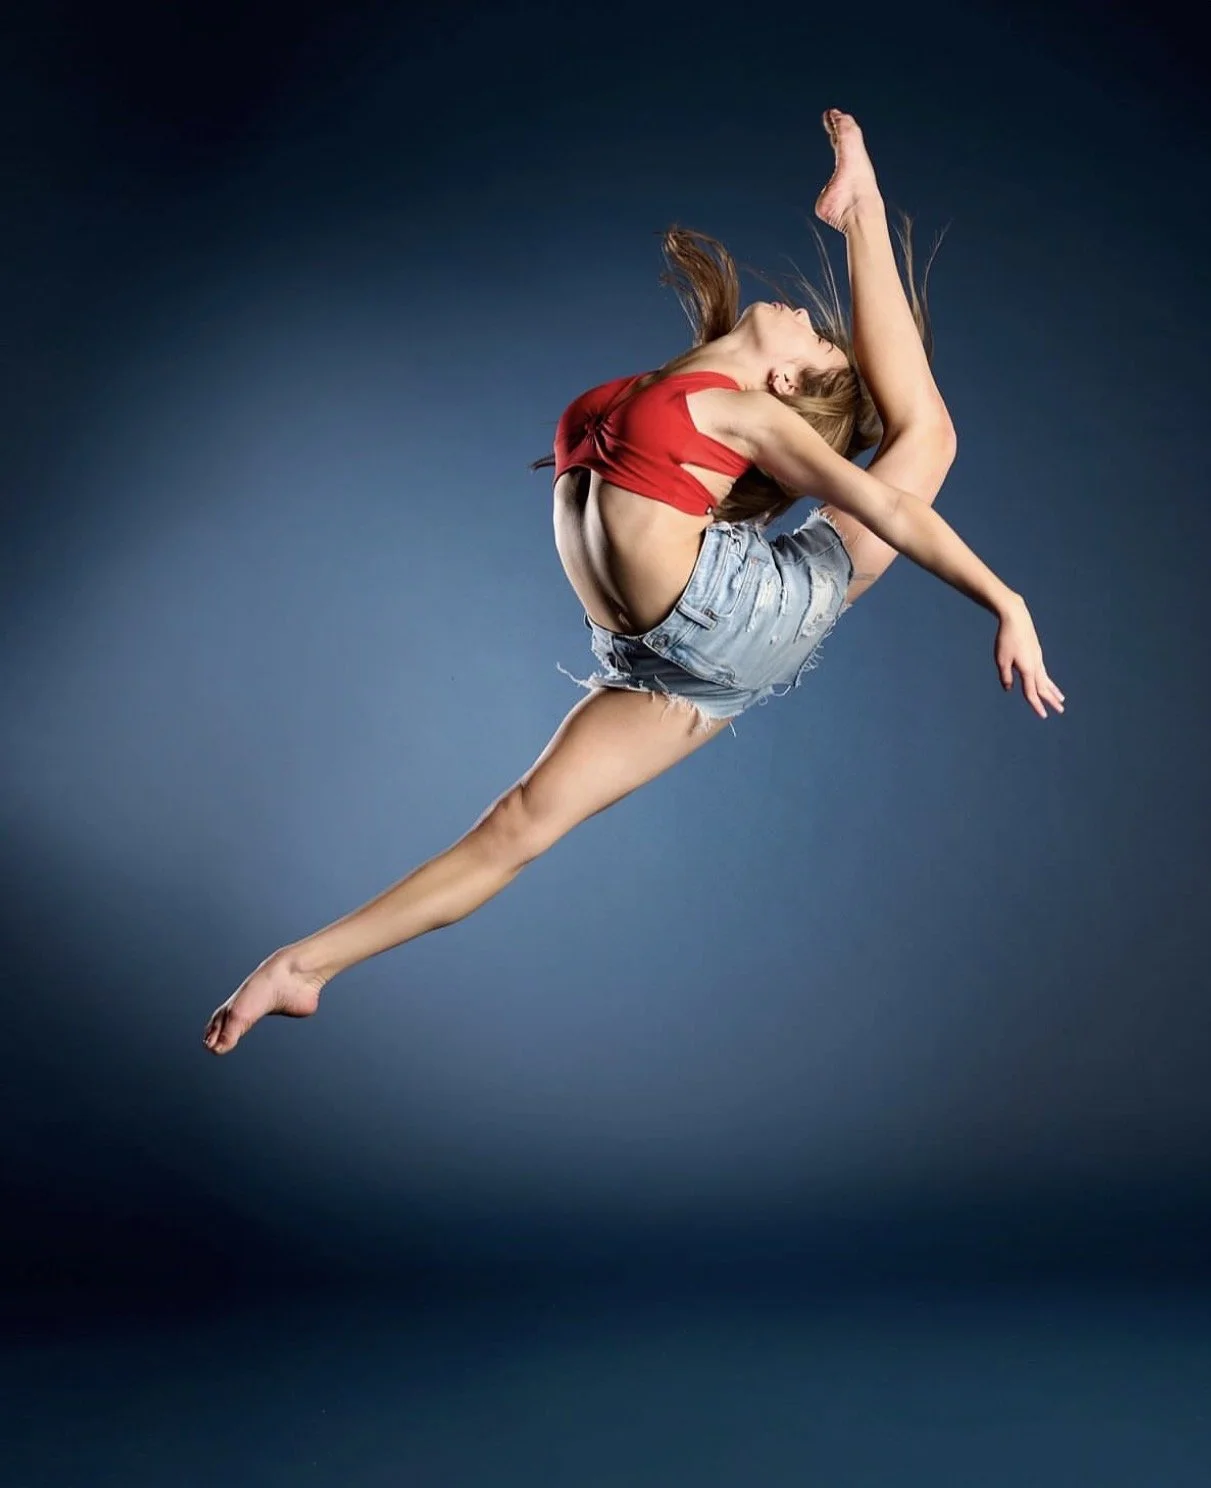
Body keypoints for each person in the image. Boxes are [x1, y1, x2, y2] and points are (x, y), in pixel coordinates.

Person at [203, 109, 1063, 1056]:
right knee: (518, 825)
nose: (809, 321)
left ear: (784, 385)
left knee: (926, 436)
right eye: (826, 335)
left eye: (818, 342)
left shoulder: (744, 416)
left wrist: (1006, 601)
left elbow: (891, 508)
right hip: (657, 654)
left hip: (740, 615)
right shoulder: (663, 391)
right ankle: (301, 968)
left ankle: (863, 211)